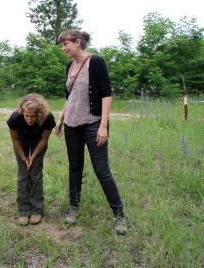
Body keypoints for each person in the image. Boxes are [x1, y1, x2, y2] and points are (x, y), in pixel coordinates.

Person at [54, 29, 128, 235]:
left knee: (102, 170)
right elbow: (70, 97)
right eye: (62, 44)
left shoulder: (96, 62)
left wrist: (103, 126)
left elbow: (106, 95)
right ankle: (74, 208)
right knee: (75, 168)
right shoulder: (70, 66)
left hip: (94, 124)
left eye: (66, 44)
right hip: (71, 125)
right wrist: (60, 119)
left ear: (78, 42)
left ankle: (119, 214)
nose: (63, 48)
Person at [7, 93, 56, 226]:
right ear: (22, 112)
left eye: (32, 116)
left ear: (39, 114)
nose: (29, 119)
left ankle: (37, 210)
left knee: (35, 175)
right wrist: (24, 158)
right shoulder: (15, 118)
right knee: (23, 176)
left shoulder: (47, 118)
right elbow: (15, 141)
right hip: (21, 143)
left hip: (38, 143)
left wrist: (32, 157)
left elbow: (44, 140)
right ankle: (23, 210)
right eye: (26, 115)